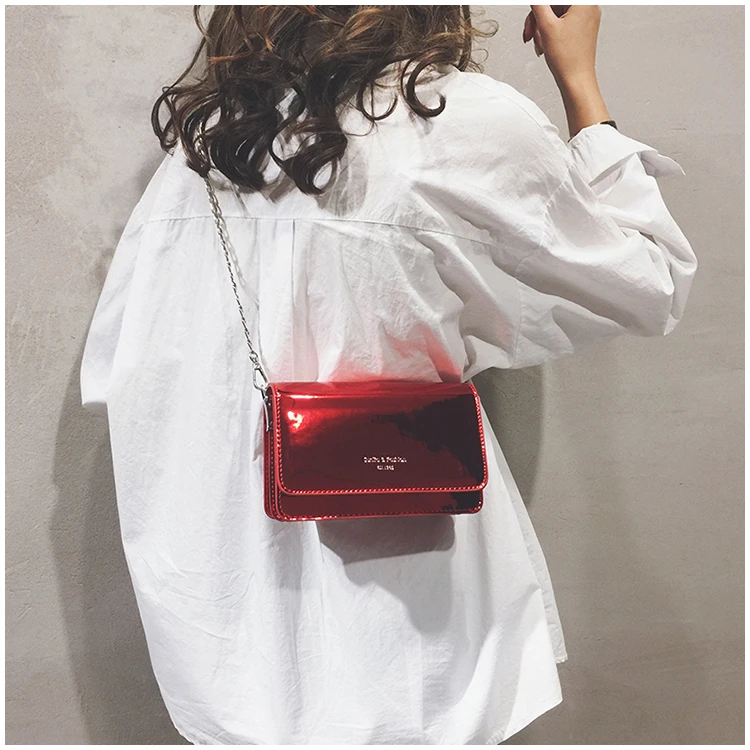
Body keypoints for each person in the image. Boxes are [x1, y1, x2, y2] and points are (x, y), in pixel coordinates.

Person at [80, 5, 698, 745]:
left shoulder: (204, 148)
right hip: (403, 619)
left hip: (224, 623)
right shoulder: (452, 122)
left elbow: (124, 374)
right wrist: (581, 84)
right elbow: (651, 284)